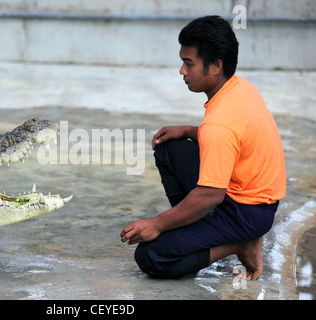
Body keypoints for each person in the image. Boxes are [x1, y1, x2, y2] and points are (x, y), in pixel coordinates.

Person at [120, 16, 286, 280]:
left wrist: (157, 224)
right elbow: (234, 140)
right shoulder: (240, 87)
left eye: (189, 64)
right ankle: (198, 227)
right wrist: (187, 131)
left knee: (150, 257)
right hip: (257, 200)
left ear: (216, 66)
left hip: (246, 212)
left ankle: (239, 243)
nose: (182, 71)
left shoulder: (219, 124)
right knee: (169, 147)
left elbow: (210, 195)